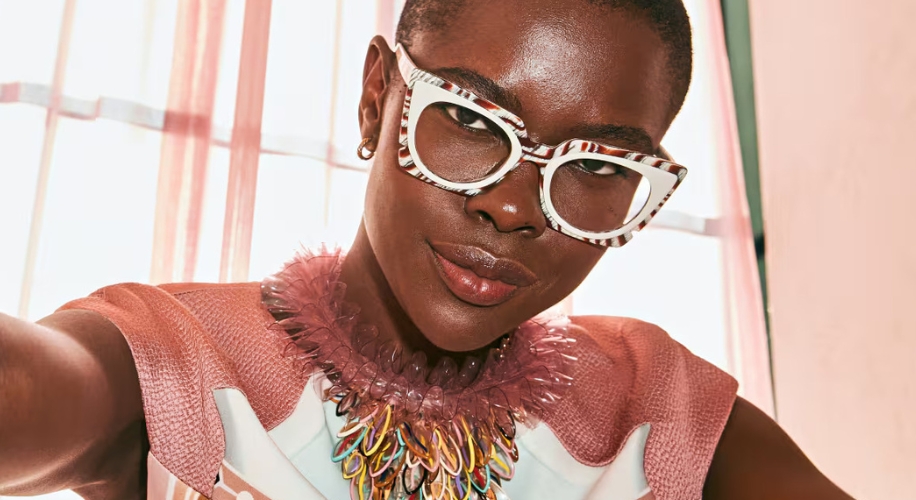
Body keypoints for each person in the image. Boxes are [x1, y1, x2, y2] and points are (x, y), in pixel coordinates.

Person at [0, 1, 854, 499]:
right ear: (379, 98)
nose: (514, 206)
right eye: (473, 121)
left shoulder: (662, 414)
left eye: (595, 165)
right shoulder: (177, 364)